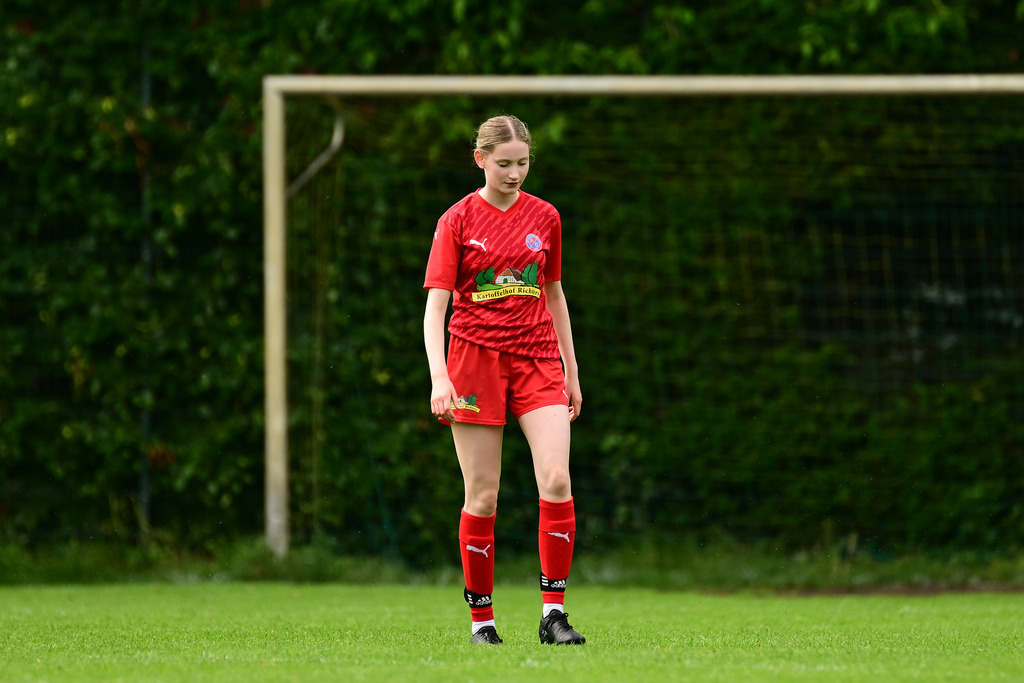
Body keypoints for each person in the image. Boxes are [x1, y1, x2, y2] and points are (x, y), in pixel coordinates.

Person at [422, 114, 586, 646]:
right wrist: (439, 378)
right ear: (480, 160)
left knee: (557, 480)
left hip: (538, 359)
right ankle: (482, 623)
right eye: (504, 164)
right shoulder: (457, 221)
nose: (515, 173)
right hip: (473, 362)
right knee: (484, 495)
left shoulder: (547, 216)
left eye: (522, 163)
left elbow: (554, 294)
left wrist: (571, 370)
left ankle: (553, 616)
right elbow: (435, 308)